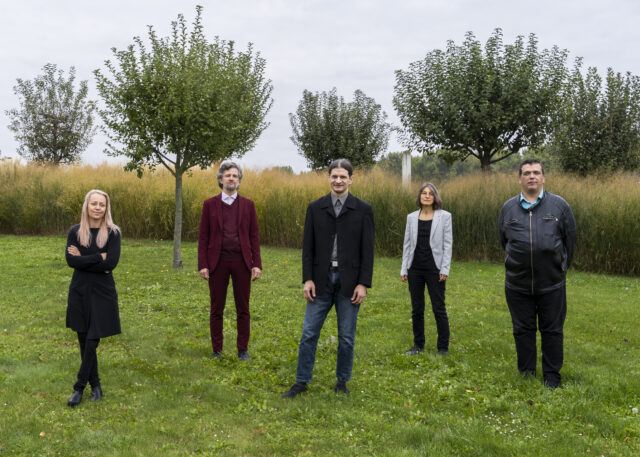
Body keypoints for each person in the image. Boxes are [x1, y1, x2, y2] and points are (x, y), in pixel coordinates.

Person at [282, 158, 374, 398]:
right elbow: (308, 248)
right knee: (308, 333)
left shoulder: (363, 209)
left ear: (351, 179)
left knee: (346, 336)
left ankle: (342, 382)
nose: (338, 180)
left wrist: (363, 283)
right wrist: (307, 279)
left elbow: (368, 251)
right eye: (334, 176)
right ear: (329, 178)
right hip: (320, 280)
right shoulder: (315, 207)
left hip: (350, 282)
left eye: (343, 176)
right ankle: (301, 381)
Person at [499, 159, 576, 388]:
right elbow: (504, 241)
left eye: (536, 172)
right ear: (519, 178)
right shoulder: (508, 208)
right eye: (526, 173)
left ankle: (552, 376)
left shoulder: (559, 207)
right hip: (517, 284)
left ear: (543, 177)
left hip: (551, 283)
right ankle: (526, 372)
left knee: (552, 330)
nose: (531, 176)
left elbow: (569, 242)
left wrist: (560, 268)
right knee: (523, 330)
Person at [198, 161, 262, 361]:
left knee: (243, 308)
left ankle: (242, 350)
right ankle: (217, 350)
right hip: (218, 262)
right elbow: (204, 237)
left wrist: (256, 263)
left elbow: (254, 236)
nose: (232, 178)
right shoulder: (209, 204)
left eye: (235, 175)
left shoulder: (248, 205)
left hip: (242, 262)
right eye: (228, 175)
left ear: (239, 180)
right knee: (216, 308)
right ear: (220, 179)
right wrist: (203, 264)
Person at [65, 190, 121, 407]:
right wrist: (99, 257)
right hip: (80, 289)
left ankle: (79, 387)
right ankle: (96, 385)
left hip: (102, 291)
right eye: (94, 204)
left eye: (102, 205)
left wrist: (84, 258)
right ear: (86, 206)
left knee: (92, 338)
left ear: (106, 208)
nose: (98, 208)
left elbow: (112, 263)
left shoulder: (113, 233)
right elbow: (71, 261)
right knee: (82, 335)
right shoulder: (76, 231)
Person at [401, 182, 453, 355]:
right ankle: (418, 345)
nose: (427, 195)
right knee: (417, 309)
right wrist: (404, 269)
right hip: (415, 268)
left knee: (439, 308)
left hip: (435, 269)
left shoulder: (445, 216)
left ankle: (443, 347)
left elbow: (448, 245)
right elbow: (407, 245)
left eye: (430, 193)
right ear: (419, 196)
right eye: (424, 193)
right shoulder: (411, 217)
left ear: (435, 197)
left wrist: (445, 269)